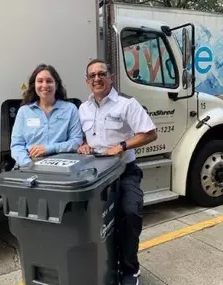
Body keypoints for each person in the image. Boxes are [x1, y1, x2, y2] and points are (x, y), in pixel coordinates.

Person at [78, 59, 157, 285]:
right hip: (95, 177)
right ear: (87, 81)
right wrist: (82, 144)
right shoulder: (83, 109)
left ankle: (130, 270)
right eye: (92, 75)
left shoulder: (127, 104)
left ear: (111, 77)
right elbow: (84, 137)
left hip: (124, 172)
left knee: (130, 214)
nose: (97, 79)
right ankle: (105, 267)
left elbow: (150, 133)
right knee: (98, 225)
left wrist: (122, 146)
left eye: (101, 74)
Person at [11, 64, 83, 167]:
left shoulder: (70, 109)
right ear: (34, 85)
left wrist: (48, 149)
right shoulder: (24, 111)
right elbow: (16, 145)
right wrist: (28, 164)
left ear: (56, 85)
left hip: (61, 167)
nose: (44, 85)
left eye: (49, 81)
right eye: (40, 81)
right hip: (28, 165)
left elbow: (76, 142)